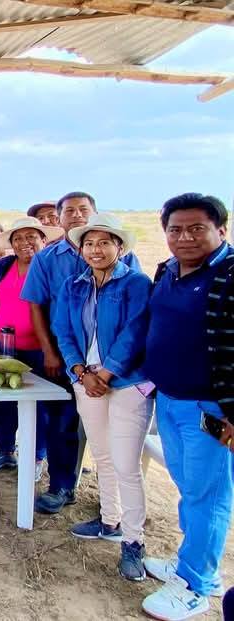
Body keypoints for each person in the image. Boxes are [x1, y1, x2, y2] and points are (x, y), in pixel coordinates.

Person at [141, 193, 233, 620]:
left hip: (211, 407)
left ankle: (197, 584)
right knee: (189, 486)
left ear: (221, 230)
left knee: (208, 495)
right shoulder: (167, 270)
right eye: (175, 229)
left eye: (197, 228)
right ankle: (188, 562)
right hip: (170, 398)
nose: (185, 237)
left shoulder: (229, 274)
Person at [21, 190, 142, 514]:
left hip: (118, 363)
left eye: (83, 209)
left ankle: (114, 505)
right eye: (69, 211)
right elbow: (38, 307)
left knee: (115, 435)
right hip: (67, 356)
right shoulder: (47, 258)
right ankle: (62, 486)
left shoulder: (126, 260)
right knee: (62, 421)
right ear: (59, 218)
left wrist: (109, 369)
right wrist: (51, 353)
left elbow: (136, 319)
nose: (76, 215)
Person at [51, 214, 153, 582]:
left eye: (105, 242)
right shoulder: (73, 285)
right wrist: (80, 372)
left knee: (127, 464)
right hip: (85, 380)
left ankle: (134, 542)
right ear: (81, 249)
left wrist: (106, 374)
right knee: (104, 455)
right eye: (89, 243)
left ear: (119, 247)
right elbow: (63, 330)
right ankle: (110, 521)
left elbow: (135, 332)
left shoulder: (136, 283)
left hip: (127, 383)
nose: (96, 250)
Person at [0, 217, 62, 478]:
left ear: (43, 240)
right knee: (3, 399)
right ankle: (4, 450)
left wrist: (51, 351)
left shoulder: (51, 268)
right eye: (18, 238)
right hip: (5, 346)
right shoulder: (3, 266)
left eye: (31, 237)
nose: (24, 243)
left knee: (40, 406)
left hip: (40, 349)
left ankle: (36, 456)